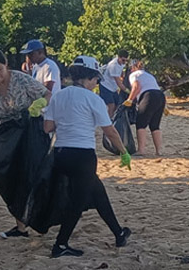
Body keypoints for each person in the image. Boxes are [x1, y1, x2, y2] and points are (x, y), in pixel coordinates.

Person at [42, 56, 132, 258]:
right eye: (96, 80)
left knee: (97, 191)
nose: (97, 83)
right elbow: (110, 132)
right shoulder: (94, 99)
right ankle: (60, 245)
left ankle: (119, 233)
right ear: (89, 78)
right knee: (77, 202)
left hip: (60, 153)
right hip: (83, 155)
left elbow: (47, 127)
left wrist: (66, 121)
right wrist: (123, 152)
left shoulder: (59, 96)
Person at [0, 47, 50, 239]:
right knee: (11, 180)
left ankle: (42, 217)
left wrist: (39, 105)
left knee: (33, 177)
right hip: (9, 137)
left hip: (31, 132)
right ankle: (21, 227)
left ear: (6, 65)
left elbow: (47, 94)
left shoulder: (20, 79)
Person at [123, 59, 166, 157]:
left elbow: (136, 87)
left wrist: (129, 100)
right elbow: (155, 88)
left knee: (141, 123)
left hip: (148, 96)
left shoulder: (134, 75)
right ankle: (159, 151)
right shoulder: (149, 75)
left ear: (132, 68)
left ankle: (141, 150)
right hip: (160, 96)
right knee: (155, 125)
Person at [99, 50, 129, 116]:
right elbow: (119, 83)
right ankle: (108, 122)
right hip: (106, 86)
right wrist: (128, 91)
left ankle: (111, 117)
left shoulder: (121, 63)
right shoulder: (113, 66)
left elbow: (121, 73)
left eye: (126, 60)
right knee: (111, 105)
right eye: (123, 60)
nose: (124, 62)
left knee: (117, 104)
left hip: (113, 88)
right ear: (119, 57)